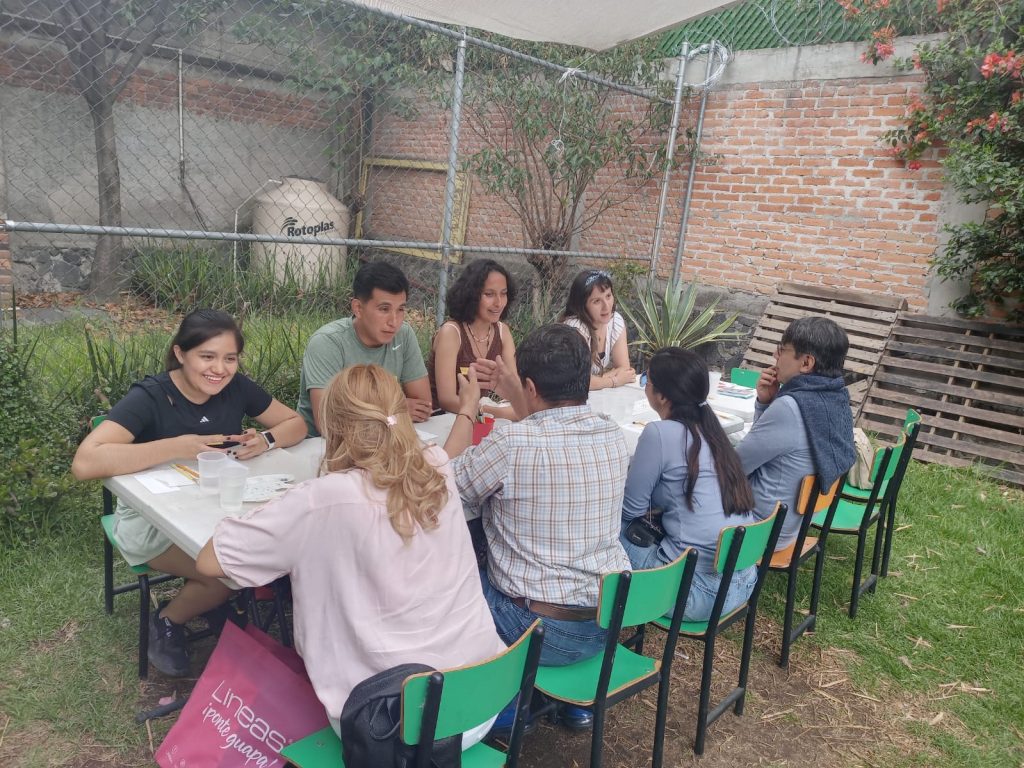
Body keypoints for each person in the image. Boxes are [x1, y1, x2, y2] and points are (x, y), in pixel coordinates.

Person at [197, 364, 505, 747]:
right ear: (400, 415)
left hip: (389, 726)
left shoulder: (320, 502)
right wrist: (467, 409)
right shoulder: (435, 466)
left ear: (334, 427)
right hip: (479, 701)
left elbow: (209, 561)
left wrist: (284, 511)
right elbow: (446, 452)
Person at [71, 309, 307, 677]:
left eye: (230, 358)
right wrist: (177, 446)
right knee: (228, 574)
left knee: (268, 552)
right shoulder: (151, 396)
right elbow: (85, 462)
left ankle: (213, 601)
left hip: (214, 507)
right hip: (149, 521)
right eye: (207, 356)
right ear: (180, 354)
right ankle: (169, 618)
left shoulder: (236, 387)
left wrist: (266, 439)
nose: (220, 369)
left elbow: (296, 423)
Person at [444, 324, 630, 731]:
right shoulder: (613, 434)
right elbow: (552, 426)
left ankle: (507, 707)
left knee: (449, 581)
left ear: (529, 386)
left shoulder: (511, 445)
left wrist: (467, 407)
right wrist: (516, 393)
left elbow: (442, 485)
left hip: (534, 630)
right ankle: (570, 701)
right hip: (606, 623)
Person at [619, 347, 758, 620]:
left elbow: (630, 510)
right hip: (743, 582)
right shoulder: (713, 431)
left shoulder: (659, 433)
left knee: (609, 529)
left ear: (661, 395)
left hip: (696, 594)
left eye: (646, 379)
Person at [735, 316, 856, 551]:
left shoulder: (791, 407)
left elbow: (735, 467)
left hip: (756, 529)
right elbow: (765, 448)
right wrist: (765, 403)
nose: (775, 355)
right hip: (791, 528)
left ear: (806, 363)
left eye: (782, 350)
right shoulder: (835, 398)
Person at [297, 261, 431, 435]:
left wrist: (382, 416)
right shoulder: (327, 343)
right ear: (358, 308)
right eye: (384, 309)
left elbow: (423, 407)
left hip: (387, 436)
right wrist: (391, 412)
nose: (394, 321)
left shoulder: (403, 335)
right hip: (325, 445)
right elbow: (327, 424)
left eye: (400, 309)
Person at [427, 258, 519, 419]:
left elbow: (515, 386)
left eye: (503, 294)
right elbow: (447, 400)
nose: (498, 303)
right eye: (489, 294)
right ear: (471, 295)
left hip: (479, 416)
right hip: (442, 419)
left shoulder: (503, 331)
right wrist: (497, 412)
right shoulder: (451, 332)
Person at [561, 269, 636, 390]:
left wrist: (597, 380)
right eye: (596, 301)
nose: (606, 306)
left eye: (608, 296)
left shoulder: (615, 321)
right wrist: (614, 380)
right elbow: (579, 382)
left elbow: (624, 369)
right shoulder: (575, 329)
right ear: (582, 305)